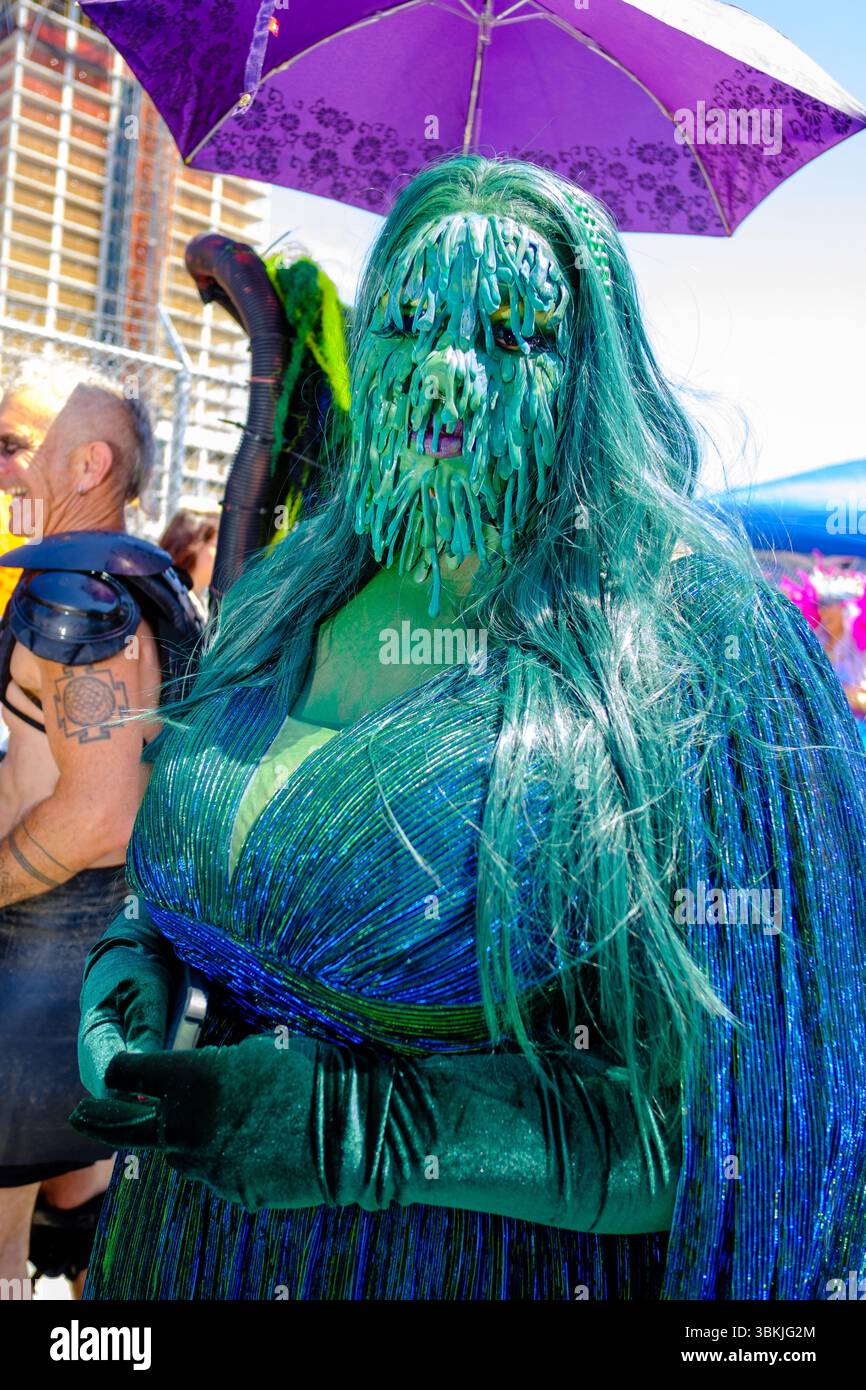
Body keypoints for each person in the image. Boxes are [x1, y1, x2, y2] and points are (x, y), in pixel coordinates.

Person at [73, 155, 866, 1301]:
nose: (445, 370)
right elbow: (171, 885)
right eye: (405, 318)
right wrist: (133, 973)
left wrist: (368, 1133)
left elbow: (745, 1118)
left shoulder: (682, 651)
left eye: (507, 334)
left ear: (587, 376)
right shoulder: (284, 593)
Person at [0, 363, 203, 1293]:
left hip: (38, 985)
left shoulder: (74, 596)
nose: (4, 470)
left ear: (88, 464)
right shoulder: (145, 582)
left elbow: (99, 816)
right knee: (75, 1236)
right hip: (98, 990)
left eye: (15, 446)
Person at [158, 510, 219, 608]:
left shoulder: (199, 601)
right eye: (216, 545)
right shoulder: (169, 601)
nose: (221, 553)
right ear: (193, 545)